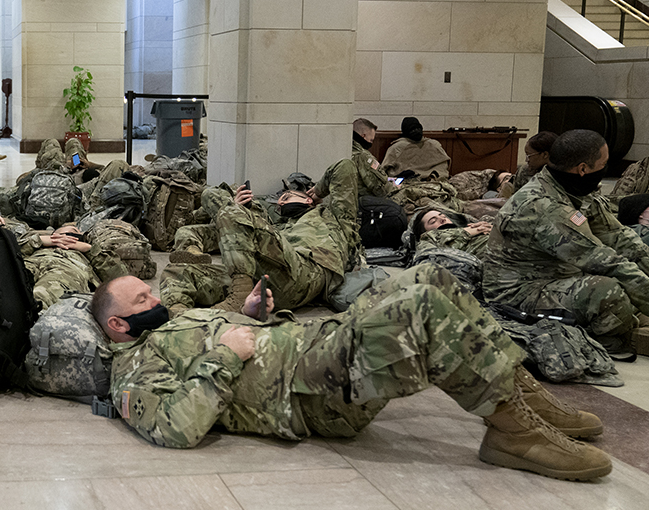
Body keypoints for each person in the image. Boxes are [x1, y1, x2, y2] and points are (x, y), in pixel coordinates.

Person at [91, 264, 612, 481]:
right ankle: (512, 435)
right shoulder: (133, 369)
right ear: (118, 324)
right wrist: (226, 353)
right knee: (423, 308)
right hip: (306, 393)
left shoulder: (174, 323)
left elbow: (236, 338)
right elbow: (174, 430)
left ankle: (525, 400)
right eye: (143, 297)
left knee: (428, 274)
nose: (156, 298)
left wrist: (247, 318)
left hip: (314, 348)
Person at [485, 129, 649, 355]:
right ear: (583, 169)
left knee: (636, 279)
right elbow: (606, 262)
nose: (607, 168)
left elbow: (621, 239)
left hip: (559, 276)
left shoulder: (575, 190)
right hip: (519, 294)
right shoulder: (543, 207)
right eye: (604, 163)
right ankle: (609, 339)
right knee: (609, 293)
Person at [214, 158, 362, 310]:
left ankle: (239, 297)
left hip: (309, 272)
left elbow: (344, 167)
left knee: (231, 212)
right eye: (279, 204)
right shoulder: (280, 225)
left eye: (285, 197)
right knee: (191, 274)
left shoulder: (335, 217)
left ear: (308, 198)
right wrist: (238, 207)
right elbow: (212, 197)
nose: (282, 203)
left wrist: (318, 191)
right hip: (267, 281)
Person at [381, 116, 451, 180]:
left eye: (418, 128)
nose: (417, 131)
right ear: (406, 132)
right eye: (412, 129)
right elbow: (384, 169)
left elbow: (443, 165)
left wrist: (434, 175)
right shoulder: (398, 148)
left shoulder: (433, 145)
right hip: (407, 181)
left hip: (433, 180)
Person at [410, 207, 491, 256]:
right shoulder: (429, 243)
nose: (442, 219)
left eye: (442, 215)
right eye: (433, 221)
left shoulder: (475, 225)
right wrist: (471, 231)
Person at [501, 131, 556, 198]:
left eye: (529, 155)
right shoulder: (524, 171)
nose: (526, 160)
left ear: (545, 154)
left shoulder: (561, 174)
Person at [352, 118, 394, 197]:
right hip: (365, 200)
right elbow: (380, 190)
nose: (371, 143)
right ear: (363, 136)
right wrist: (395, 187)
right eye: (371, 140)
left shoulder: (344, 149)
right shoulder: (363, 156)